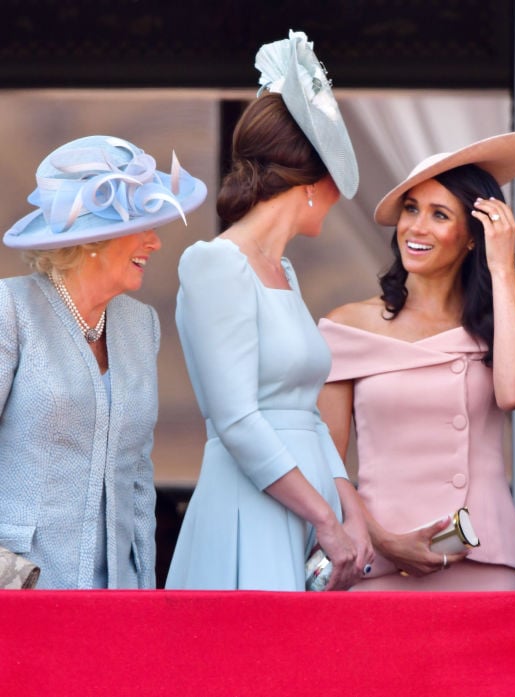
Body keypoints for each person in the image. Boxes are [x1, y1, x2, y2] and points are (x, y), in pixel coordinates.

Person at [166, 31, 370, 591]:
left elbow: (305, 411)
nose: (337, 195)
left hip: (309, 508)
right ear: (310, 182)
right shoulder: (213, 263)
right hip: (251, 505)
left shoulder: (286, 272)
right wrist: (325, 518)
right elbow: (235, 418)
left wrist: (349, 506)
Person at [317, 132, 515, 591]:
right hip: (378, 564)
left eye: (439, 215)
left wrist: (501, 266)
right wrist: (382, 540)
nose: (416, 227)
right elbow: (326, 462)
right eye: (411, 209)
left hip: (485, 564)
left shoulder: (510, 329)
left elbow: (514, 393)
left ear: (471, 239)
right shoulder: (347, 326)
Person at [0, 134, 207, 588]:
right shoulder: (10, 311)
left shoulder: (141, 325)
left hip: (115, 594)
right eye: (142, 225)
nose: (155, 242)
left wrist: (143, 589)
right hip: (20, 591)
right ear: (93, 238)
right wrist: (10, 576)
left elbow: (137, 477)